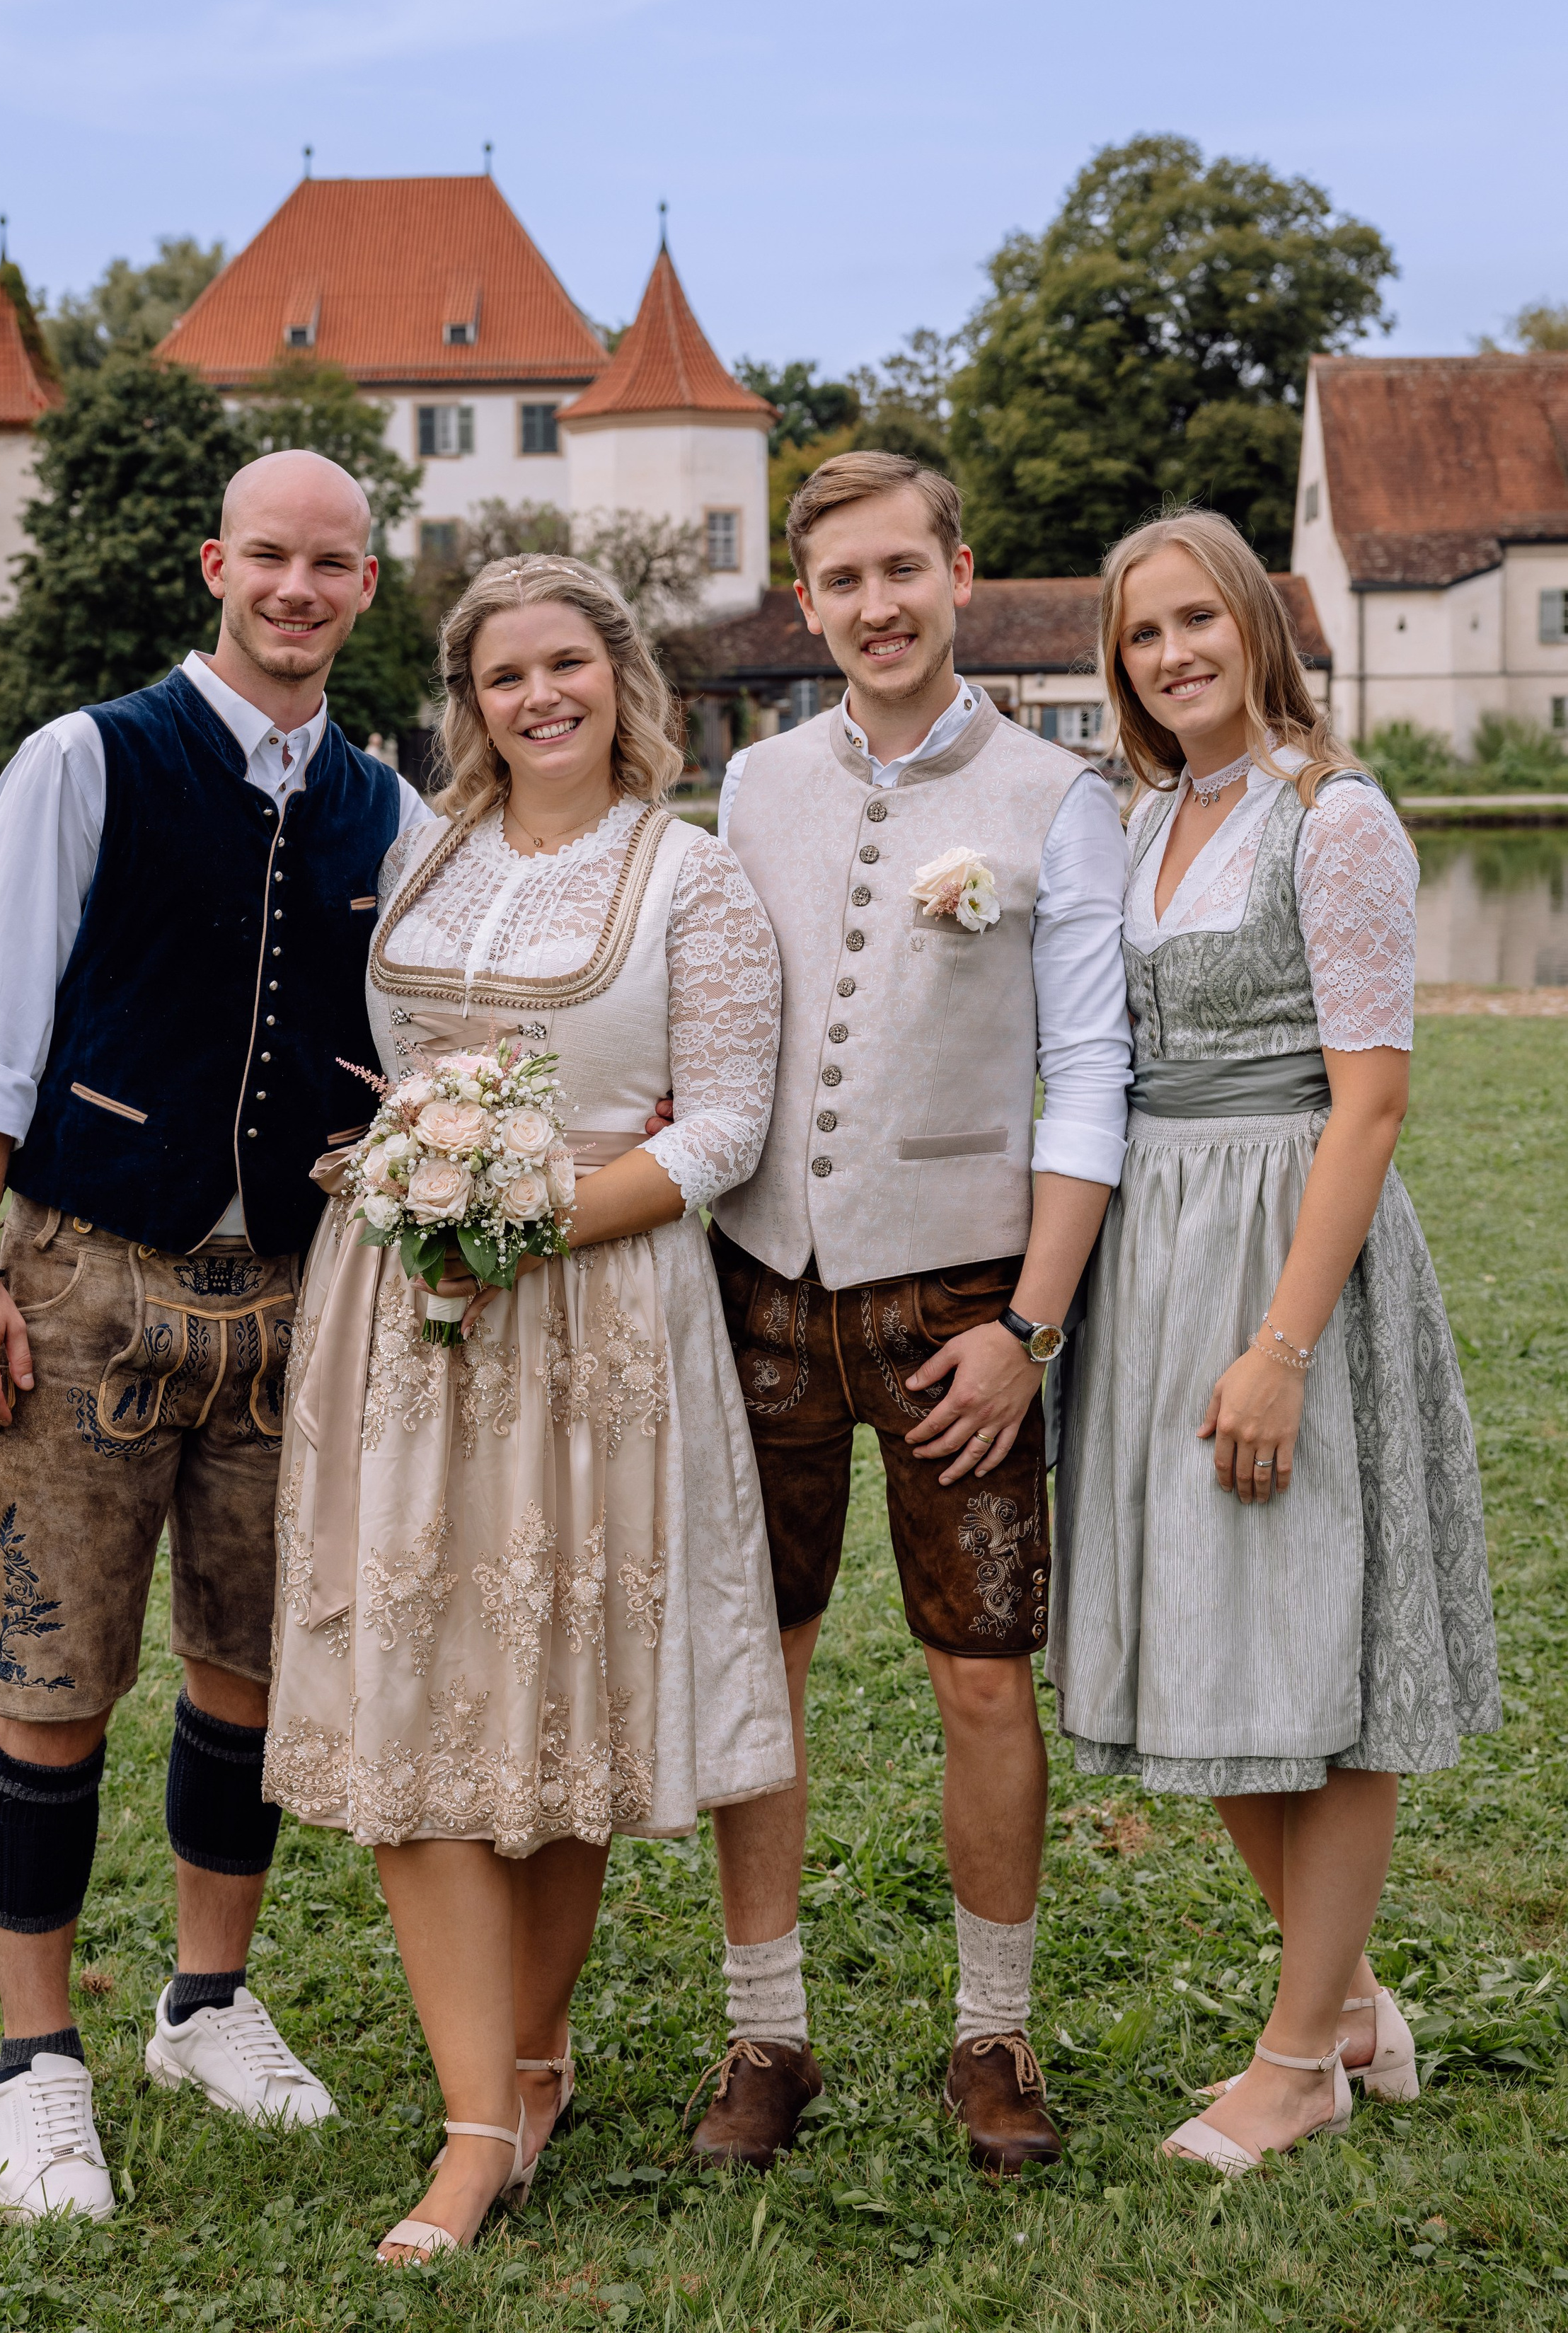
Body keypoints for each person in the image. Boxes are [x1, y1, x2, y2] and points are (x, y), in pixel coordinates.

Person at [264, 553, 795, 2264]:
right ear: (470, 699)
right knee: (415, 1687)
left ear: (618, 675)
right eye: (504, 674)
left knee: (552, 1703)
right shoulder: (424, 848)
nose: (537, 695)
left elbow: (723, 1125)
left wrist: (520, 1219)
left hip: (589, 1313)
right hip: (399, 1312)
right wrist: (425, 1197)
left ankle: (534, 2061)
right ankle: (473, 2121)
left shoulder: (690, 875)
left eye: (565, 662)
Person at [0, 450, 430, 2220]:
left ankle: (204, 2001)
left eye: (330, 563)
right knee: (49, 1674)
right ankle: (33, 2058)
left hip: (297, 1291)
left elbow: (432, 1031)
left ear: (367, 585)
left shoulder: (388, 804)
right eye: (268, 555)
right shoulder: (90, 757)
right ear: (218, 564)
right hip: (87, 1273)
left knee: (249, 1669)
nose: (297, 588)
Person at [692, 449, 1131, 2174]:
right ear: (806, 603)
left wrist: (1026, 1328)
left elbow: (1086, 1074)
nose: (875, 605)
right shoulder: (750, 784)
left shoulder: (1058, 794)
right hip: (760, 1285)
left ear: (957, 572)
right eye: (842, 580)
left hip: (958, 1298)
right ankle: (764, 2030)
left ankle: (991, 2030)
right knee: (762, 1667)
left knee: (979, 1676)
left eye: (901, 569)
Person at [1047, 509, 1500, 2177]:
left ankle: (1297, 2055)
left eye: (1195, 619)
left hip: (1286, 1248)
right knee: (1203, 1631)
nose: (1171, 653)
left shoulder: (1335, 816)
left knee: (1322, 1644)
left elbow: (1368, 1103)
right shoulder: (1137, 816)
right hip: (1152, 1253)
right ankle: (1349, 2002)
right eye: (1140, 631)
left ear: (1255, 624)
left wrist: (1282, 1343)